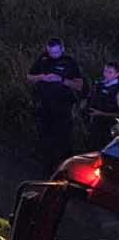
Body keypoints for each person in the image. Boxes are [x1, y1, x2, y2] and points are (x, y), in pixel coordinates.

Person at [29, 38, 84, 173]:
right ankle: (46, 167)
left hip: (62, 107)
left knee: (63, 138)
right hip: (44, 105)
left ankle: (67, 169)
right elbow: (29, 77)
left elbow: (79, 85)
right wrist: (41, 77)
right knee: (44, 136)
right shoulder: (43, 59)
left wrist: (62, 80)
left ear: (62, 49)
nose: (52, 55)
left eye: (55, 52)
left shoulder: (70, 62)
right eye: (50, 52)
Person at [83, 60, 119, 151]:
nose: (106, 74)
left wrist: (101, 113)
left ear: (117, 74)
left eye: (110, 72)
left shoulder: (116, 90)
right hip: (95, 126)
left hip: (110, 129)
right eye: (105, 71)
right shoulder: (99, 85)